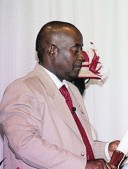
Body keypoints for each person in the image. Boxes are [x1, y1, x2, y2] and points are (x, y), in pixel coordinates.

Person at [0, 21, 119, 169]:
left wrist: (106, 149)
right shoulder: (23, 88)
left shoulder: (72, 90)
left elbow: (77, 146)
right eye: (76, 50)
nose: (82, 57)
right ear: (52, 51)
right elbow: (24, 143)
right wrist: (82, 166)